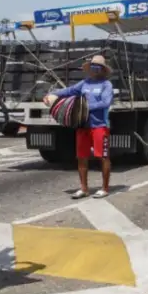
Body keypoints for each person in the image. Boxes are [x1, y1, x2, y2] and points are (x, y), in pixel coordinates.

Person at [44, 55, 114, 199]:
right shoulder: (84, 83)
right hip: (83, 125)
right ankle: (84, 188)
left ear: (102, 69)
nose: (95, 69)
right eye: (93, 66)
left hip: (99, 125)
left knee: (103, 156)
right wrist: (51, 95)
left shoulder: (106, 85)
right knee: (82, 157)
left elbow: (106, 103)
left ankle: (105, 188)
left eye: (98, 67)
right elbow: (68, 91)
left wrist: (86, 107)